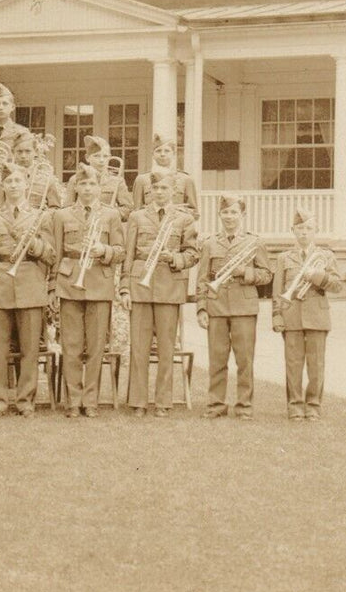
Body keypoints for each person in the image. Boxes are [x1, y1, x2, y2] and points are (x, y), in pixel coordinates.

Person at [0, 163, 57, 417]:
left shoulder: (40, 216)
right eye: (8, 181)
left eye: (18, 181)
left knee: (29, 350)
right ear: (3, 186)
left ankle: (25, 401)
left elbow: (52, 256)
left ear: (26, 184)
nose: (13, 185)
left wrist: (33, 243)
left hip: (30, 285)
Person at [120, 172, 198, 417]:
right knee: (139, 347)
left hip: (169, 285)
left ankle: (163, 401)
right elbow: (128, 254)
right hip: (140, 284)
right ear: (150, 191)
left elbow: (193, 254)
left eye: (165, 188)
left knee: (166, 348)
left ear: (173, 191)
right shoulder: (137, 216)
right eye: (156, 188)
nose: (160, 192)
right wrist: (124, 287)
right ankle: (138, 402)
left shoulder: (183, 219)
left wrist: (174, 258)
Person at [51, 164, 125, 418]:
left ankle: (90, 400)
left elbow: (121, 251)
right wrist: (53, 288)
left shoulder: (111, 214)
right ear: (76, 187)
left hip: (99, 282)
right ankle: (73, 400)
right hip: (70, 282)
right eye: (82, 184)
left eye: (92, 184)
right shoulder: (61, 215)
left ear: (99, 187)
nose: (87, 188)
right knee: (71, 345)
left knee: (95, 347)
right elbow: (56, 253)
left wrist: (103, 250)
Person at [198, 194, 273, 419]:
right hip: (217, 306)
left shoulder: (255, 242)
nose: (229, 217)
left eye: (234, 213)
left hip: (244, 308)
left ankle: (244, 407)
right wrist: (201, 307)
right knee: (217, 358)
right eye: (225, 212)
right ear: (219, 215)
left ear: (242, 215)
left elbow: (267, 274)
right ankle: (216, 404)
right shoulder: (210, 243)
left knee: (244, 360)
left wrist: (245, 273)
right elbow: (202, 278)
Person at [271, 208, 343, 421]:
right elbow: (277, 291)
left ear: (316, 231)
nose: (304, 233)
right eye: (300, 228)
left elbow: (338, 286)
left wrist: (318, 276)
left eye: (309, 228)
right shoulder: (284, 258)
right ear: (293, 230)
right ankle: (294, 406)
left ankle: (313, 406)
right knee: (292, 364)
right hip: (291, 314)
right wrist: (277, 315)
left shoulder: (326, 256)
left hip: (317, 317)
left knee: (316, 365)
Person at [66, 135, 134, 221]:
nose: (101, 160)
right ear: (87, 158)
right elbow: (67, 209)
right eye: (96, 156)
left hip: (107, 227)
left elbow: (128, 209)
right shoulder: (75, 180)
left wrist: (108, 214)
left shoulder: (117, 181)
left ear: (109, 157)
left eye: (105, 156)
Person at [0, 132, 62, 212]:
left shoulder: (46, 179)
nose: (23, 156)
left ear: (36, 152)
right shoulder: (3, 177)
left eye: (28, 151)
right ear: (13, 152)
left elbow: (55, 208)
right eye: (19, 152)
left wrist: (43, 216)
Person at [132, 134, 199, 213]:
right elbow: (136, 211)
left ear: (174, 154)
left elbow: (194, 213)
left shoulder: (186, 179)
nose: (162, 154)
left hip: (176, 223)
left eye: (167, 151)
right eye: (158, 151)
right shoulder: (142, 180)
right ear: (152, 155)